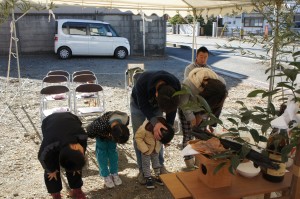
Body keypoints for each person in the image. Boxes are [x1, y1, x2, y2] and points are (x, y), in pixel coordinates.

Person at [130, 70, 181, 184]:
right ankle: (143, 170)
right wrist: (155, 122)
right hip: (138, 106)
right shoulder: (142, 81)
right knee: (139, 137)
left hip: (159, 105)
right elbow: (143, 106)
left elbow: (171, 109)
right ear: (156, 93)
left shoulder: (176, 85)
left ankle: (159, 165)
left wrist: (168, 130)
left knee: (159, 133)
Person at [179, 68, 228, 170]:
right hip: (187, 109)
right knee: (188, 136)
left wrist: (209, 120)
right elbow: (183, 103)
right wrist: (191, 118)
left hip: (203, 111)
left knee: (201, 137)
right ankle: (189, 164)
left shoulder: (221, 84)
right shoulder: (188, 84)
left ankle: (199, 163)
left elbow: (216, 104)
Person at [38, 112, 87, 199]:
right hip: (49, 122)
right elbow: (42, 157)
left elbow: (80, 154)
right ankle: (55, 194)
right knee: (51, 170)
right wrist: (51, 170)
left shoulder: (82, 136)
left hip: (71, 118)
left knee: (74, 164)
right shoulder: (50, 143)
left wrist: (77, 166)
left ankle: (77, 190)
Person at [86, 111, 130, 188]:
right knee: (102, 154)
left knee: (113, 152)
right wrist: (104, 135)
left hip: (113, 133)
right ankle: (105, 175)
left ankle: (114, 173)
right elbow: (89, 132)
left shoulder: (124, 120)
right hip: (100, 135)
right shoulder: (99, 126)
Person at [135, 117, 175, 189]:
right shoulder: (144, 129)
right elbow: (138, 137)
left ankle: (158, 175)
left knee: (156, 163)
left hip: (155, 150)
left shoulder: (163, 127)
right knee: (146, 164)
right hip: (146, 151)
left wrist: (166, 142)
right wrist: (144, 149)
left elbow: (163, 137)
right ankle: (148, 178)